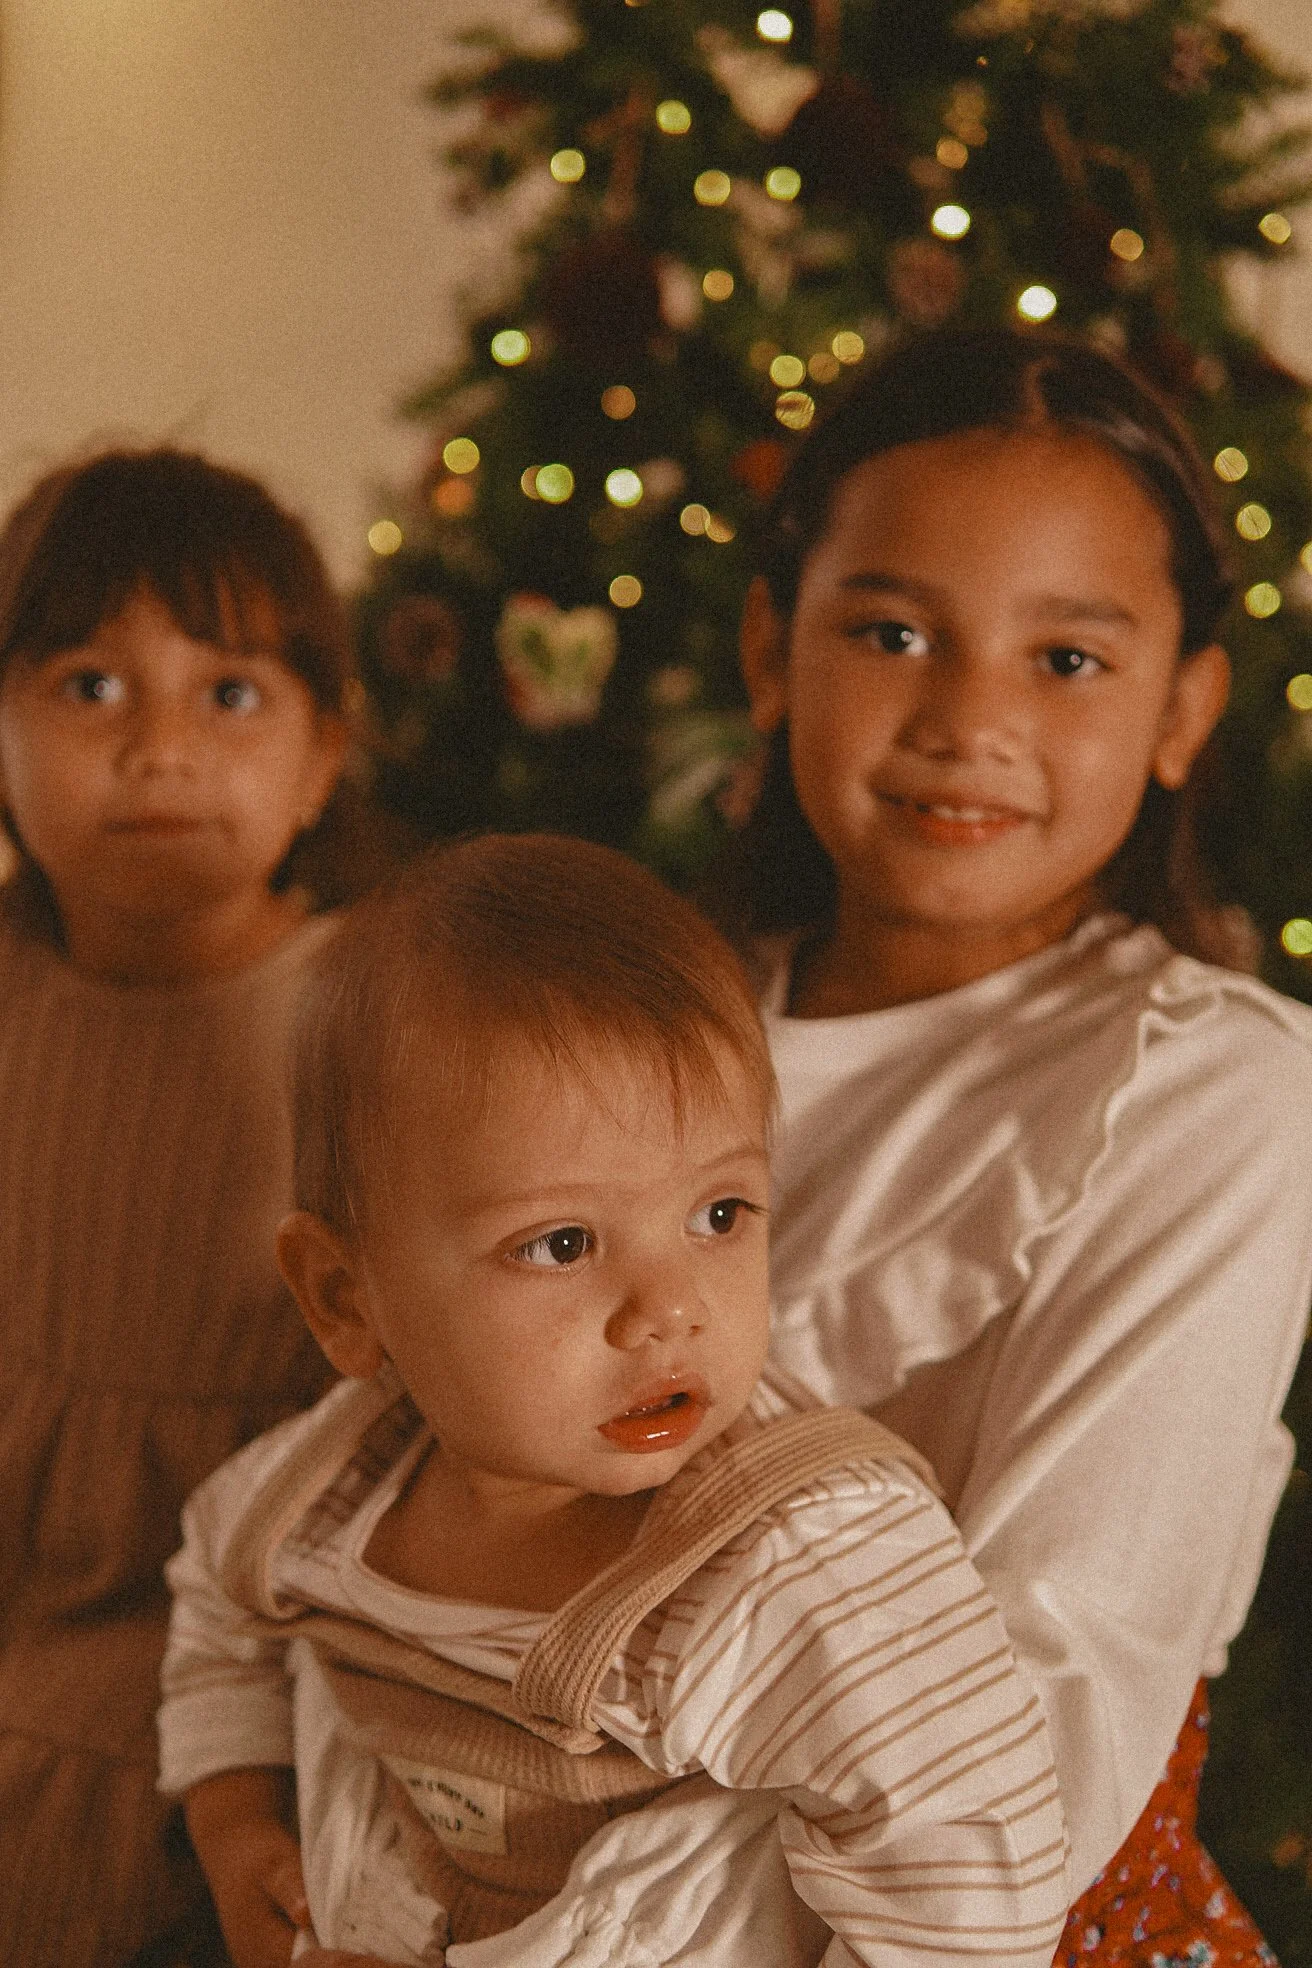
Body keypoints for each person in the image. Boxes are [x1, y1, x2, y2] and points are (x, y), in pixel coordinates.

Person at [159, 833, 1070, 1968]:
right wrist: (235, 1821)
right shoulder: (326, 1495)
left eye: (719, 1215)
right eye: (562, 1242)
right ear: (348, 1299)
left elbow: (970, 1888)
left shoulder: (798, 1558)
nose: (668, 1310)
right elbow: (218, 1609)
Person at [729, 324, 1312, 1965]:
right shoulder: (632, 1036)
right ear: (772, 651)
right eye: (893, 632)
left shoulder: (1205, 1089)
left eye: (1065, 659)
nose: (967, 716)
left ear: (1183, 708)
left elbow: (1057, 1685)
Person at [0, 447, 353, 1965]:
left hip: (254, 1658)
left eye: (230, 693)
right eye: (90, 687)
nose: (160, 750)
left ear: (324, 757)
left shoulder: (382, 1011)